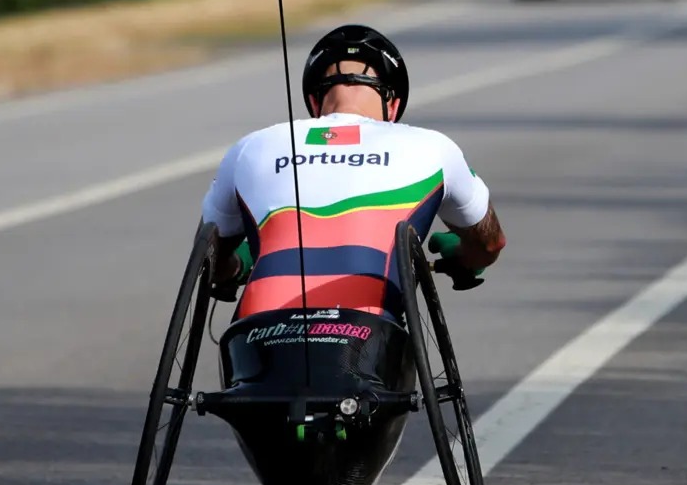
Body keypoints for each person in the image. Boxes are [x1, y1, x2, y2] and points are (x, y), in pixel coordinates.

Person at [200, 24, 506, 320]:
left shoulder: (251, 146)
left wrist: (239, 264)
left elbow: (208, 257)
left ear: (313, 101)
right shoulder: (433, 146)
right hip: (368, 329)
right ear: (394, 106)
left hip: (262, 329)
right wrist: (464, 258)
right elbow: (490, 244)